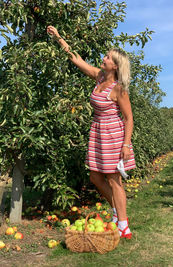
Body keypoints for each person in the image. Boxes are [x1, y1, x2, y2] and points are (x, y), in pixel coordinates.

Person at [47, 25, 136, 239]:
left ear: (115, 65)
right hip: (97, 133)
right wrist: (59, 37)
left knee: (114, 180)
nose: (103, 58)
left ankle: (123, 226)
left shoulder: (118, 89)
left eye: (107, 57)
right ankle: (117, 211)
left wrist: (126, 145)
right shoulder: (98, 77)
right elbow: (76, 59)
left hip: (113, 134)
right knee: (95, 177)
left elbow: (129, 118)